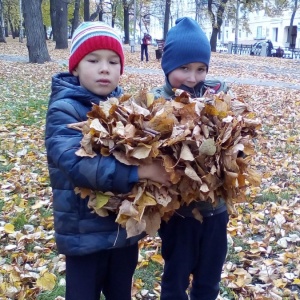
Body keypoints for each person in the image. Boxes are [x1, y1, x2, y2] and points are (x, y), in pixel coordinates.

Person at [45, 21, 170, 300]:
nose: (105, 68)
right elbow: (78, 167)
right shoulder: (65, 109)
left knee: (120, 293)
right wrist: (142, 171)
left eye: (113, 61)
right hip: (84, 234)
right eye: (94, 60)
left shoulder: (128, 109)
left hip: (123, 232)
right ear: (75, 67)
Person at [152, 17, 229, 300]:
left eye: (200, 69)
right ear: (167, 65)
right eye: (183, 68)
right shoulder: (156, 102)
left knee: (209, 280)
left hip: (216, 209)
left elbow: (238, 140)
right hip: (179, 213)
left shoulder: (219, 94)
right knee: (175, 279)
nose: (192, 78)